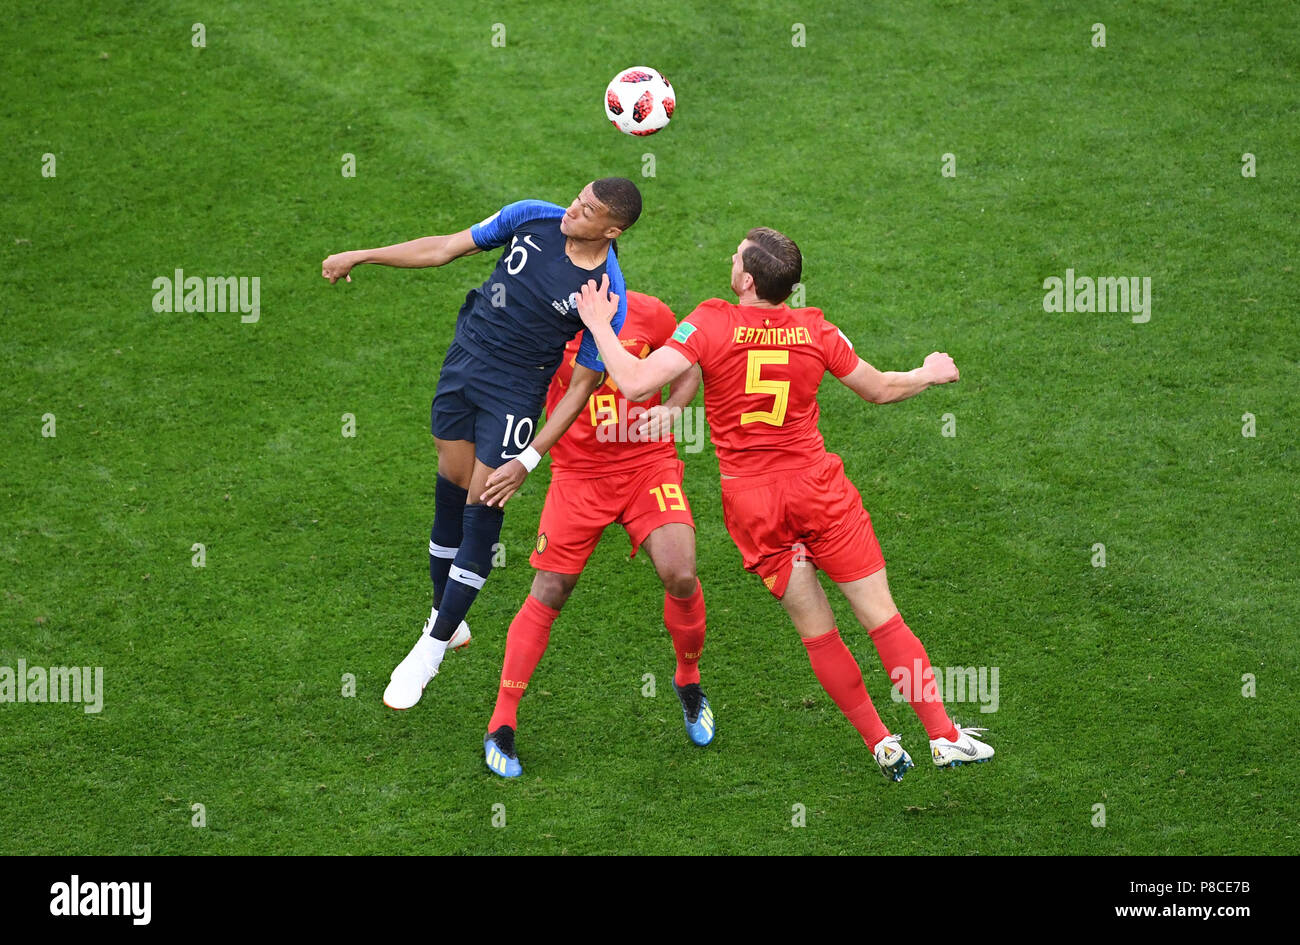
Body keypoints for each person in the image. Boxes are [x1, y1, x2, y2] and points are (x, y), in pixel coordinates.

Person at [573, 227, 994, 782]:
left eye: (736, 256)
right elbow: (879, 388)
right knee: (882, 620)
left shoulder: (712, 320)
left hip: (754, 504)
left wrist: (600, 322)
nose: (729, 257)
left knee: (818, 631)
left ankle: (881, 742)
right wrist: (929, 373)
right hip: (818, 491)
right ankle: (943, 735)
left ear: (746, 281)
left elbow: (631, 382)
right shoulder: (815, 329)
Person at [320, 179, 642, 710]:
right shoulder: (532, 215)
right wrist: (365, 254)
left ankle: (429, 650)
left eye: (588, 210)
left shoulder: (607, 291)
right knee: (450, 486)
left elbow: (584, 384)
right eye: (578, 196)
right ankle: (447, 619)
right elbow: (447, 246)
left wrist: (530, 458)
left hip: (516, 388)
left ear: (611, 230)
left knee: (483, 501)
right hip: (465, 360)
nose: (572, 209)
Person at [483, 290, 712, 778]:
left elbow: (688, 370)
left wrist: (673, 409)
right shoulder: (542, 320)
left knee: (682, 575)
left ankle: (688, 682)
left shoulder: (650, 313)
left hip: (646, 465)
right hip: (578, 475)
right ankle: (501, 722)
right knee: (549, 590)